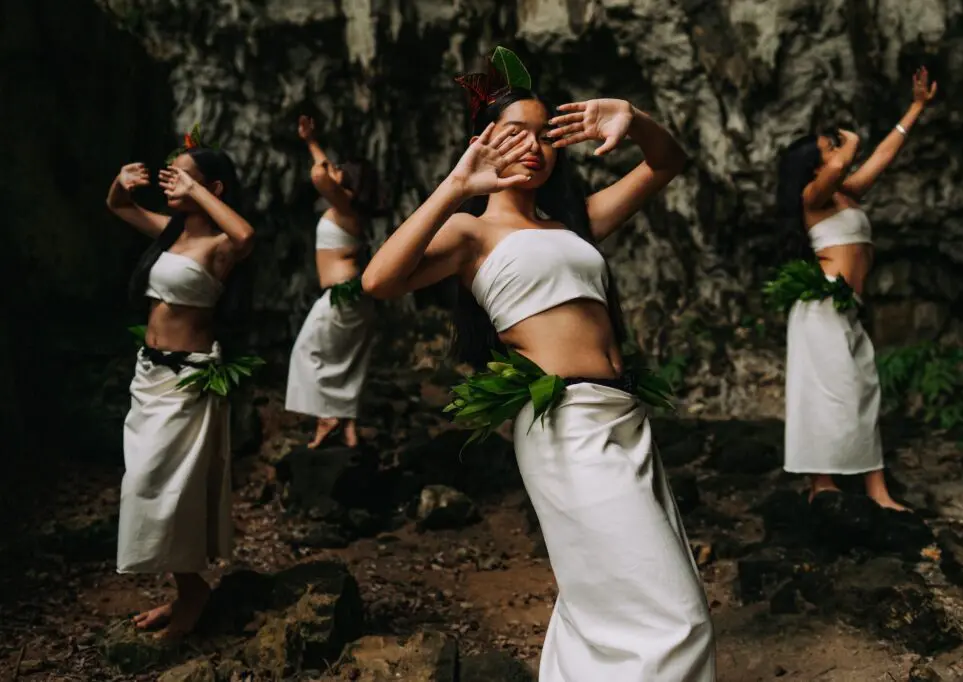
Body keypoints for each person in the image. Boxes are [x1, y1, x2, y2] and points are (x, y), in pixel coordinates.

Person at [361, 51, 715, 682]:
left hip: (621, 416)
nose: (534, 145)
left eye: (545, 133)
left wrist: (631, 119)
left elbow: (670, 162)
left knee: (603, 599)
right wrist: (455, 187)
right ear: (482, 143)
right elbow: (379, 281)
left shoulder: (576, 224)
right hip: (564, 423)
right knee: (673, 614)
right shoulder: (471, 234)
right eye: (514, 132)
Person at [106, 138, 255, 638]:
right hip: (150, 374)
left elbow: (245, 232)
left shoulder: (219, 245)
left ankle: (192, 593)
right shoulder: (168, 233)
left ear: (212, 187)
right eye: (171, 175)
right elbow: (118, 205)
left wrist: (199, 189)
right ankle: (187, 588)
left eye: (183, 176)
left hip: (189, 380)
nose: (172, 181)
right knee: (144, 482)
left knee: (169, 486)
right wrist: (122, 182)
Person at [776, 67, 938, 510]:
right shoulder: (814, 195)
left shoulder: (846, 192)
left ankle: (875, 490)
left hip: (847, 306)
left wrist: (916, 108)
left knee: (863, 388)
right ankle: (822, 483)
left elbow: (881, 157)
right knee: (831, 389)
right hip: (821, 304)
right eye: (827, 147)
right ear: (815, 162)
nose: (836, 149)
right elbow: (843, 163)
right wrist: (846, 147)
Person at [286, 115, 377, 449]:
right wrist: (312, 141)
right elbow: (324, 173)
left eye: (341, 169)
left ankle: (328, 418)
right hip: (355, 298)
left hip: (343, 296)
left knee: (307, 351)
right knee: (348, 360)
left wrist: (311, 144)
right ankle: (348, 426)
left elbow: (318, 174)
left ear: (349, 183)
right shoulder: (352, 212)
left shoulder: (344, 206)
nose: (332, 169)